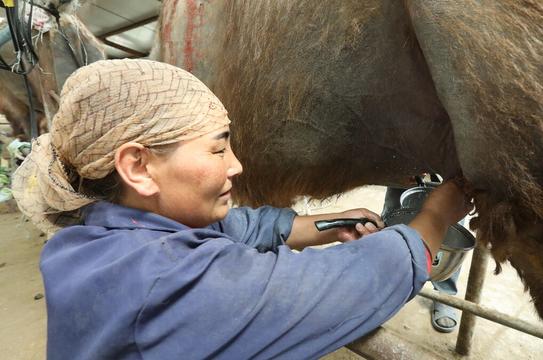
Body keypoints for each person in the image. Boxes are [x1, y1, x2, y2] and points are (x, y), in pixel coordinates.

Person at [12, 59, 472, 360]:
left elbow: (237, 226)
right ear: (139, 166)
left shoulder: (96, 232)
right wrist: (435, 215)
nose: (237, 165)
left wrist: (323, 225)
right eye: (217, 150)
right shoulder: (175, 287)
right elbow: (352, 283)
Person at [382, 186, 465, 333]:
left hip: (454, 169)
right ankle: (384, 285)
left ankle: (444, 294)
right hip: (402, 166)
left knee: (452, 211)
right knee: (394, 211)